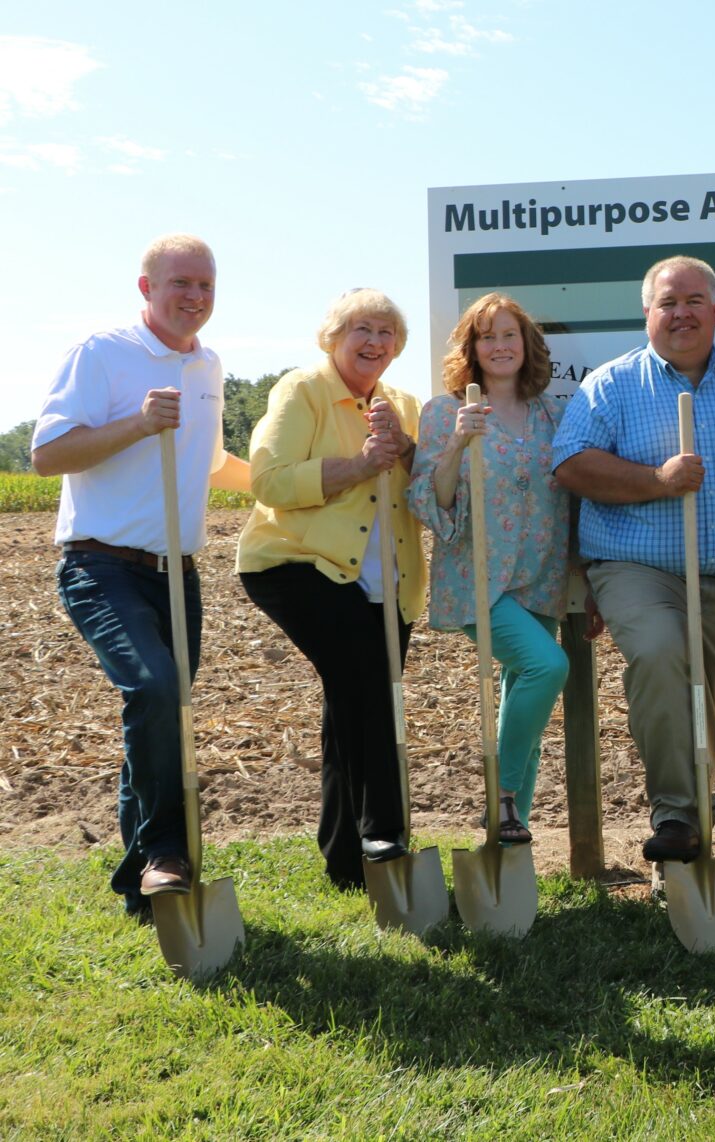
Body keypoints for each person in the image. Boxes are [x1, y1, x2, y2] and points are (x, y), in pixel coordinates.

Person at [553, 256, 715, 866]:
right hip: (635, 566)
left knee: (704, 701)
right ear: (647, 314)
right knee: (660, 653)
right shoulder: (611, 385)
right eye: (668, 303)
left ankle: (690, 824)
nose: (681, 313)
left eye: (694, 300)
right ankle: (675, 816)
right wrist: (658, 480)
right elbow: (570, 465)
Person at [32, 234, 251, 919]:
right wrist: (137, 423)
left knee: (162, 713)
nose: (194, 297)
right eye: (181, 283)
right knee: (155, 689)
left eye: (206, 286)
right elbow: (46, 454)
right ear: (146, 287)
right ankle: (166, 851)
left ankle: (143, 887)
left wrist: (289, 484)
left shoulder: (210, 365)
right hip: (102, 564)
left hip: (177, 572)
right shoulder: (102, 353)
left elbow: (213, 463)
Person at [237, 288, 424, 891]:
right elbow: (269, 480)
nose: (375, 343)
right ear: (333, 337)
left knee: (352, 698)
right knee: (369, 684)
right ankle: (386, 832)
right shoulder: (303, 390)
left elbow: (428, 489)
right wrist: (360, 465)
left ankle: (345, 861)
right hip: (297, 565)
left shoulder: (403, 403)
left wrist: (408, 449)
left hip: (386, 583)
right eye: (361, 330)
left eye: (386, 333)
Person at [408, 292, 585, 846]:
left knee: (522, 706)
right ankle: (503, 796)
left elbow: (573, 493)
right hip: (478, 580)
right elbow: (429, 500)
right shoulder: (445, 412)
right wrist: (460, 441)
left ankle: (510, 838)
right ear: (472, 347)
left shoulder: (555, 413)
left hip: (542, 575)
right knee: (547, 668)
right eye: (488, 336)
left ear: (526, 345)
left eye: (510, 335)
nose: (500, 346)